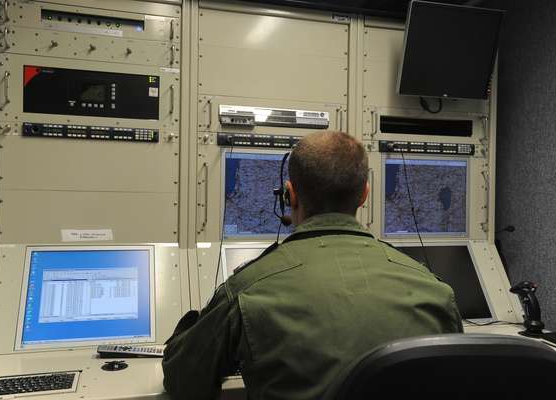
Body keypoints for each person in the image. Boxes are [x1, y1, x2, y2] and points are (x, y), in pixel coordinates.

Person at [162, 131, 463, 400]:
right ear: (364, 195)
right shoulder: (434, 290)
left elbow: (183, 382)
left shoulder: (248, 290)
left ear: (289, 195)